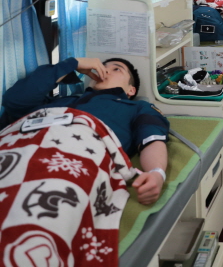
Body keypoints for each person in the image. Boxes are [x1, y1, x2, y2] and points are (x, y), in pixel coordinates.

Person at [1, 57, 170, 205]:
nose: (105, 70)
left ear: (131, 90)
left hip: (70, 159)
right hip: (18, 150)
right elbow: (14, 100)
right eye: (102, 67)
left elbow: (152, 138)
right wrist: (72, 64)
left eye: (116, 69)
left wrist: (157, 173)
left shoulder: (136, 107)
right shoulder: (59, 101)